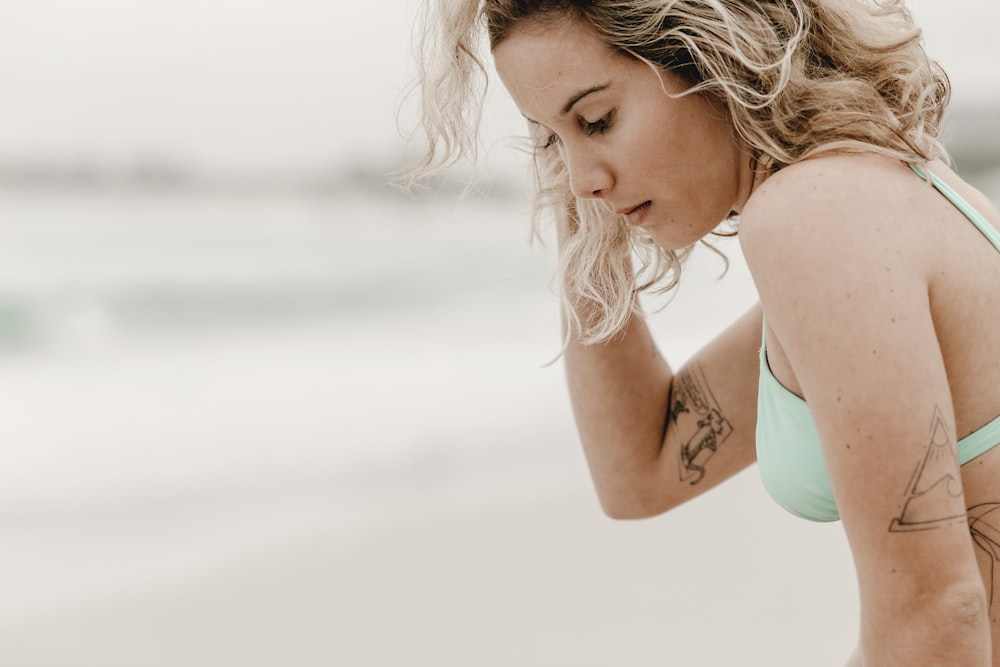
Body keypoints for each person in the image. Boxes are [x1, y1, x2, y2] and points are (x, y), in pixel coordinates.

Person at [403, 0, 1000, 663]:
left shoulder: (816, 216)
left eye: (597, 120)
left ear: (709, 54)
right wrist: (583, 196)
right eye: (550, 139)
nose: (579, 180)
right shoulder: (864, 192)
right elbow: (641, 469)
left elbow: (938, 614)